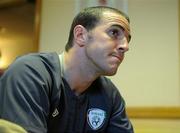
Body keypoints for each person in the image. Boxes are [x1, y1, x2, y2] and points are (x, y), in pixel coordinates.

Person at [0, 6, 133, 133]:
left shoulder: (110, 94)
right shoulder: (29, 73)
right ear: (81, 35)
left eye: (128, 39)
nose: (125, 46)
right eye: (114, 32)